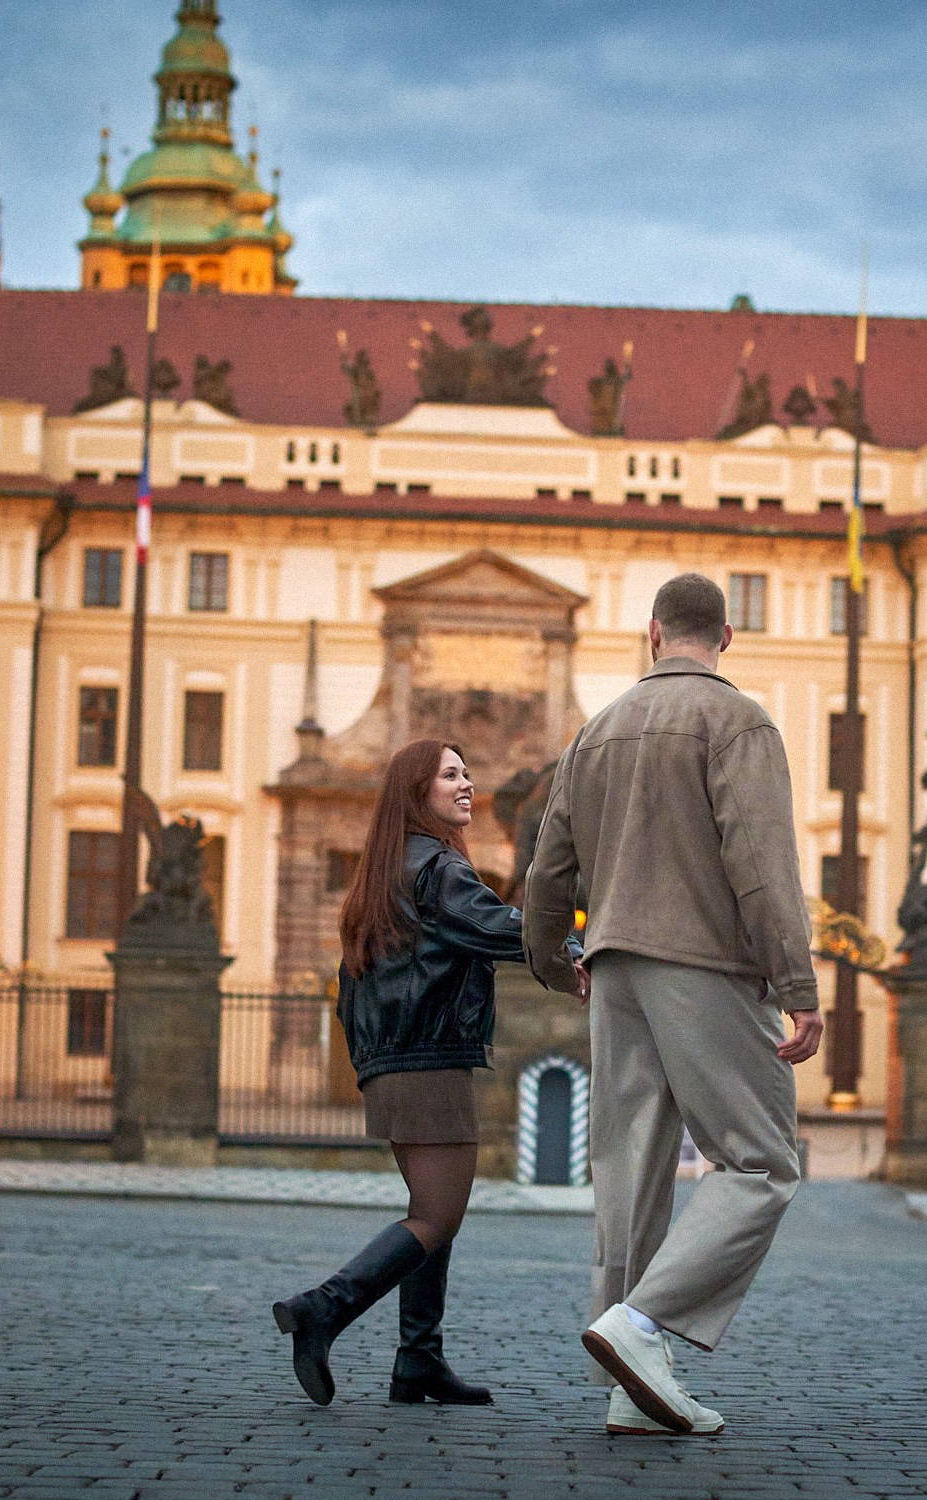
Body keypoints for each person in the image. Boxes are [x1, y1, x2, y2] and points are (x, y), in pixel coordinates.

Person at [522, 572, 823, 1438]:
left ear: (653, 634)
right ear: (724, 637)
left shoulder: (595, 731)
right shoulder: (738, 721)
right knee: (761, 1164)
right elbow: (761, 867)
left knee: (630, 1177)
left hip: (614, 970)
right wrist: (797, 986)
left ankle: (632, 1391)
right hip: (705, 967)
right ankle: (643, 1324)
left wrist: (555, 962)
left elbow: (547, 873)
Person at [273, 738, 559, 1406]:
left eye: (467, 772)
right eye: (450, 774)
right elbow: (499, 927)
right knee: (437, 1217)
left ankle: (418, 1360)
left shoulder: (388, 869)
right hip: (428, 1062)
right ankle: (323, 1308)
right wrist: (576, 947)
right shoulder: (437, 866)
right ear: (416, 792)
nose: (467, 784)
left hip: (393, 1062)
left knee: (430, 1213)